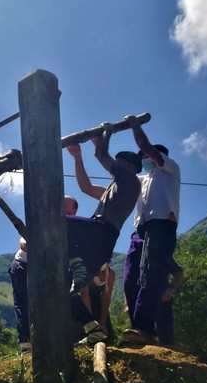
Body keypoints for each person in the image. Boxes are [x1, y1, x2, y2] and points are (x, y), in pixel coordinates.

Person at [66, 122, 141, 345]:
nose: (113, 165)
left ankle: (78, 265)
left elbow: (101, 154)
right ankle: (92, 329)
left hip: (101, 231)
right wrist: (77, 157)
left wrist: (106, 132)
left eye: (117, 162)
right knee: (68, 285)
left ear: (126, 165)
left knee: (59, 222)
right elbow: (86, 187)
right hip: (101, 241)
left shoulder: (129, 181)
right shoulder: (116, 189)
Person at [122, 114, 182, 345]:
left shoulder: (170, 169)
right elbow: (113, 172)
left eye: (146, 156)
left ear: (160, 156)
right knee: (131, 277)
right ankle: (141, 328)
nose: (143, 157)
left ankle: (144, 328)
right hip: (141, 229)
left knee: (152, 273)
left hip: (162, 225)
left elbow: (144, 145)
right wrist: (101, 146)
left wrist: (134, 125)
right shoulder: (142, 180)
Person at [9, 195, 78, 354]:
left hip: (47, 269)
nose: (60, 208)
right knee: (24, 302)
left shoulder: (72, 228)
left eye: (65, 206)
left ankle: (54, 341)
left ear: (73, 211)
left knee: (55, 301)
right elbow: (23, 242)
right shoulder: (46, 220)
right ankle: (26, 345)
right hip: (23, 265)